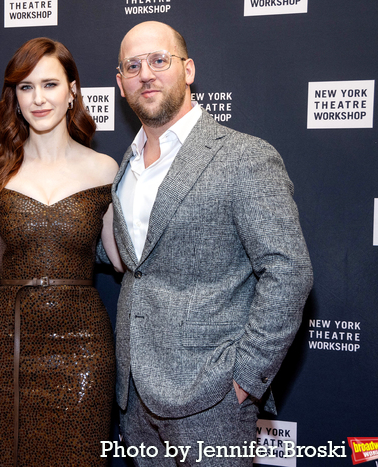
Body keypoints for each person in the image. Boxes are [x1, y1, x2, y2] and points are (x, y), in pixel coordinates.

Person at [109, 21, 313, 466]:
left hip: (213, 397)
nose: (147, 73)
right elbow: (136, 261)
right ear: (121, 84)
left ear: (188, 69)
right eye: (133, 65)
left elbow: (288, 270)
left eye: (159, 60)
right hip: (136, 396)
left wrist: (245, 378)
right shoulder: (126, 164)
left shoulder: (244, 156)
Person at [0, 37, 124, 467]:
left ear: (72, 91)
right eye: (25, 87)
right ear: (13, 98)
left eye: (49, 84)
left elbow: (123, 260)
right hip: (8, 344)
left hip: (84, 346)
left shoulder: (105, 169)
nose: (38, 98)